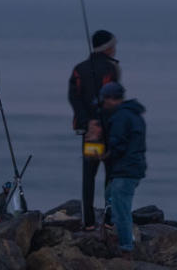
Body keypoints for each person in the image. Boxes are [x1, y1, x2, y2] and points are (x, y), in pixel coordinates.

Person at [68, 29, 121, 230]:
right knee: (111, 174)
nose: (115, 49)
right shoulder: (111, 70)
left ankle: (88, 221)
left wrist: (88, 122)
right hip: (108, 132)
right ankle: (109, 219)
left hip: (91, 134)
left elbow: (74, 98)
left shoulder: (79, 69)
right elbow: (112, 101)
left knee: (89, 175)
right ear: (107, 48)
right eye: (113, 45)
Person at [99, 82, 146, 257]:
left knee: (122, 210)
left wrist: (104, 155)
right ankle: (110, 225)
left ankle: (126, 247)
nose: (103, 103)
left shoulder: (120, 117)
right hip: (134, 167)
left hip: (126, 170)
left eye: (105, 100)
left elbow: (118, 144)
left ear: (112, 99)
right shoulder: (134, 115)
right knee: (109, 194)